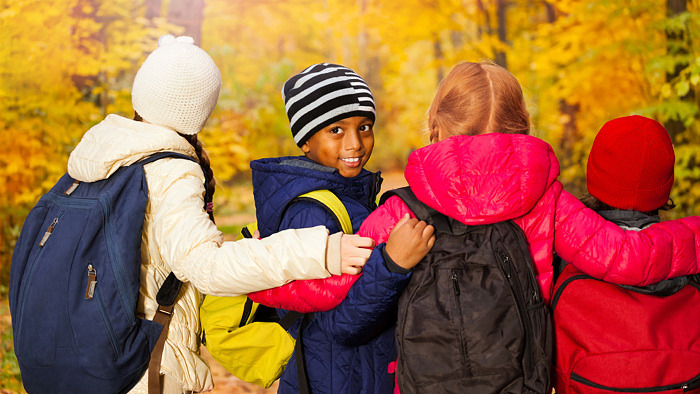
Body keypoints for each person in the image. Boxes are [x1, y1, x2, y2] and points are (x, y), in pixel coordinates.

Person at [253, 61, 700, 392]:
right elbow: (629, 257)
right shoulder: (547, 200)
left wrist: (258, 278)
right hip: (520, 375)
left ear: (436, 125)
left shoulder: (407, 206)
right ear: (521, 123)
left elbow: (333, 282)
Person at [66, 37, 376, 394]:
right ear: (199, 107)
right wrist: (320, 250)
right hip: (145, 366)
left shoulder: (101, 157)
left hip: (94, 351)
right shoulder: (168, 171)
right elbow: (206, 268)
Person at [246, 63, 435, 394]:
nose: (355, 144)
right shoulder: (309, 213)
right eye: (336, 130)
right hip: (334, 382)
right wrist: (393, 264)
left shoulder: (353, 198)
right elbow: (341, 325)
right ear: (305, 141)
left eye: (364, 127)